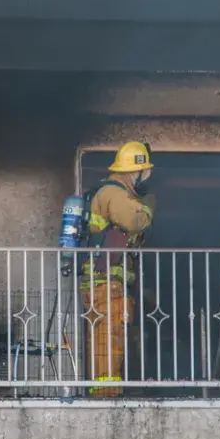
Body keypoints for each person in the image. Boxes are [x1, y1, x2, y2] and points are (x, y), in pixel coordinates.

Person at [81, 141, 156, 397]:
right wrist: (148, 207)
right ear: (135, 171)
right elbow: (135, 221)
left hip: (101, 281)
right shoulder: (115, 193)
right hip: (107, 281)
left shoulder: (107, 191)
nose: (147, 177)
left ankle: (103, 387)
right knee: (110, 334)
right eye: (145, 172)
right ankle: (107, 391)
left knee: (103, 335)